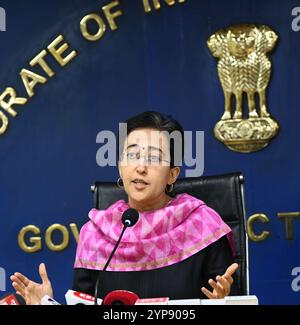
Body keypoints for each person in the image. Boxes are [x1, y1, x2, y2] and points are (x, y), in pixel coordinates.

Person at [10, 111, 238, 304]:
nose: (140, 167)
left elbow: (231, 298)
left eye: (154, 158)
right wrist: (46, 303)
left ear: (172, 174)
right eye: (132, 155)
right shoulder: (96, 234)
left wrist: (224, 302)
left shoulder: (203, 226)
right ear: (120, 167)